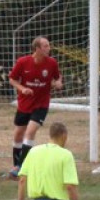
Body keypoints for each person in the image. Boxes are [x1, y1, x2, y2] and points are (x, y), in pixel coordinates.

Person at [8, 36, 62, 178]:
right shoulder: (23, 62)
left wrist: (58, 83)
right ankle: (16, 166)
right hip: (24, 103)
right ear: (37, 48)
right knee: (18, 134)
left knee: (30, 132)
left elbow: (57, 77)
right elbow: (12, 79)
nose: (48, 48)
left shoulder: (52, 63)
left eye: (48, 45)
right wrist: (22, 89)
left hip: (41, 104)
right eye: (45, 46)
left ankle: (22, 166)